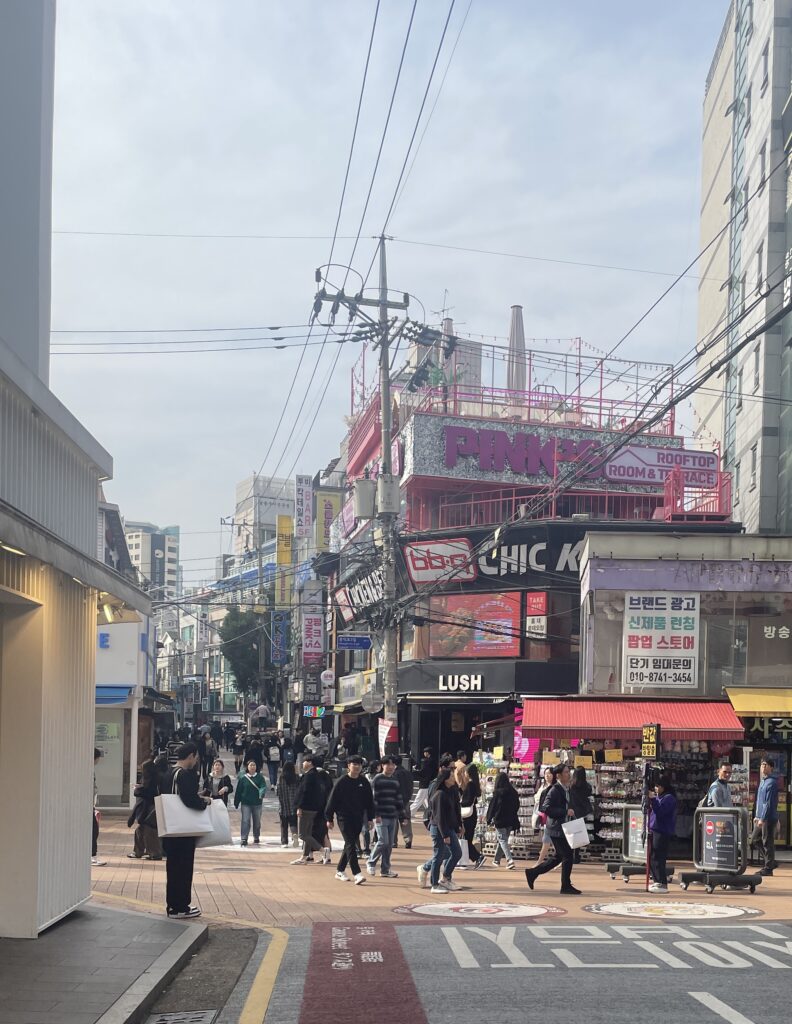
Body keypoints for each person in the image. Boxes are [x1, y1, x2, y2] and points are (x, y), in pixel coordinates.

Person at [162, 743, 211, 918]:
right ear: (190, 756)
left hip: (170, 827)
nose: (196, 760)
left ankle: (173, 906)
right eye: (195, 757)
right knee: (183, 868)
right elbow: (189, 800)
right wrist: (204, 802)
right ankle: (181, 907)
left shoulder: (168, 773)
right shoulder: (184, 775)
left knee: (173, 868)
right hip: (183, 830)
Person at [524, 764, 580, 896]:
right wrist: (565, 811)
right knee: (567, 855)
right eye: (566, 772)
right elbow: (546, 808)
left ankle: (533, 873)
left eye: (569, 772)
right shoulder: (555, 790)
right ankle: (565, 885)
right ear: (559, 775)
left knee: (559, 857)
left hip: (562, 827)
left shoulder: (565, 789)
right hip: (555, 828)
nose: (569, 774)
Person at [325, 755, 374, 884]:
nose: (357, 767)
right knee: (351, 844)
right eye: (354, 764)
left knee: (349, 844)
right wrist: (329, 818)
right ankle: (357, 873)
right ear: (348, 766)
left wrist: (370, 818)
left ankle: (340, 870)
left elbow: (369, 802)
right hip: (343, 817)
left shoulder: (364, 782)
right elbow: (332, 800)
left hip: (358, 818)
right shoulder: (342, 782)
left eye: (359, 764)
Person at [367, 756, 405, 878]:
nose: (391, 767)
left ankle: (385, 869)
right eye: (388, 764)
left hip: (392, 815)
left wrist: (403, 816)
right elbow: (374, 798)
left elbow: (398, 798)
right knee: (383, 841)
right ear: (382, 766)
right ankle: (371, 862)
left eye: (393, 765)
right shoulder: (377, 779)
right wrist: (376, 814)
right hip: (381, 816)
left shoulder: (395, 781)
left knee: (389, 845)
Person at [427, 767, 464, 893]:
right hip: (439, 829)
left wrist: (459, 826)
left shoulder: (451, 791)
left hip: (449, 828)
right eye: (452, 776)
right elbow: (439, 817)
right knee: (438, 856)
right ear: (445, 779)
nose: (454, 778)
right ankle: (434, 884)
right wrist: (445, 834)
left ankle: (446, 878)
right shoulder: (439, 794)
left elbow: (455, 811)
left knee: (457, 853)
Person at [292, 754, 326, 864]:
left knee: (302, 834)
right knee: (308, 833)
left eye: (305, 761)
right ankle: (304, 857)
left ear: (310, 763)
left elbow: (304, 793)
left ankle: (322, 850)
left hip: (306, 808)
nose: (303, 763)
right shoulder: (316, 775)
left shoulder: (309, 776)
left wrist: (299, 807)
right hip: (314, 808)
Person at [127, 757, 162, 860]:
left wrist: (137, 789)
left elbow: (146, 792)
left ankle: (154, 853)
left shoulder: (151, 780)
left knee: (148, 831)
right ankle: (139, 852)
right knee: (141, 830)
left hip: (148, 809)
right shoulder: (155, 778)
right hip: (149, 809)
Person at [647, 774, 677, 894]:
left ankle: (661, 882)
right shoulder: (660, 797)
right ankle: (656, 880)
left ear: (663, 787)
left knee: (658, 857)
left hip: (662, 831)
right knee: (652, 855)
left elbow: (660, 811)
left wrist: (653, 799)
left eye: (658, 786)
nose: (656, 789)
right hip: (654, 829)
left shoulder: (669, 798)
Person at [487, 771, 520, 869]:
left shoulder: (497, 793)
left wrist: (489, 819)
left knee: (502, 840)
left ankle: (509, 860)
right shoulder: (513, 792)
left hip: (500, 820)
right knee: (503, 840)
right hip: (510, 820)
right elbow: (517, 806)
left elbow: (492, 807)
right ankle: (496, 860)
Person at [752, 758, 779, 876]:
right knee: (754, 840)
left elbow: (768, 803)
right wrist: (757, 816)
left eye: (765, 765)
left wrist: (762, 818)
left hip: (768, 817)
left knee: (767, 842)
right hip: (761, 817)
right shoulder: (763, 781)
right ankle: (770, 862)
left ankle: (768, 868)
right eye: (761, 765)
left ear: (771, 768)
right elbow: (759, 801)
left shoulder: (772, 782)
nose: (763, 767)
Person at [234, 759, 266, 846]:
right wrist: (236, 802)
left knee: (257, 821)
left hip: (257, 803)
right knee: (245, 820)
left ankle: (256, 836)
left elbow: (263, 786)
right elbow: (238, 791)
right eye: (250, 765)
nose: (252, 767)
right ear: (247, 767)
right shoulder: (243, 778)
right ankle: (244, 838)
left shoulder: (260, 777)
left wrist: (261, 793)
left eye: (254, 765)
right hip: (245, 803)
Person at [460, 761, 485, 868]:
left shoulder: (470, 785)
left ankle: (477, 857)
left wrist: (460, 802)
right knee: (467, 839)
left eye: (465, 772)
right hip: (472, 814)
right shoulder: (474, 784)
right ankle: (474, 858)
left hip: (468, 816)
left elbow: (468, 801)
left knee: (465, 839)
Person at [310, 760, 334, 864]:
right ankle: (327, 856)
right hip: (327, 808)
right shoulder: (327, 776)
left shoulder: (314, 776)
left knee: (311, 832)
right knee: (325, 833)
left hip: (316, 809)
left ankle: (310, 855)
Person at [532, 766, 556, 866]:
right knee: (552, 841)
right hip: (543, 816)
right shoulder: (543, 786)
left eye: (549, 774)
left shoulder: (555, 787)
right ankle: (563, 859)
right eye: (545, 774)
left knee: (546, 840)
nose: (547, 776)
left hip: (551, 817)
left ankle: (539, 861)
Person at [568, 765, 593, 864]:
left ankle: (569, 854)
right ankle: (576, 856)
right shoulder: (587, 786)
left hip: (572, 810)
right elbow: (589, 794)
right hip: (582, 812)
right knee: (578, 834)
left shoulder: (571, 785)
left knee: (571, 834)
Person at [277, 760, 300, 847]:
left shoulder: (281, 778)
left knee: (283, 824)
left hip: (283, 804)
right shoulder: (296, 777)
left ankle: (284, 842)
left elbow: (277, 790)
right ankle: (294, 834)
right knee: (293, 822)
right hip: (293, 803)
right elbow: (299, 790)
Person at [393, 759, 414, 850]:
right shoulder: (408, 773)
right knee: (406, 820)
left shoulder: (394, 774)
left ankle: (393, 841)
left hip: (395, 800)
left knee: (394, 821)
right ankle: (408, 839)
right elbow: (411, 786)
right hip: (406, 800)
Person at [410, 747, 437, 815]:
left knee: (418, 799)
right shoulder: (433, 761)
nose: (424, 753)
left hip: (424, 783)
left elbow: (424, 772)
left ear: (427, 753)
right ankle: (432, 812)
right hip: (430, 782)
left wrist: (415, 772)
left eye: (425, 752)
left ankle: (409, 813)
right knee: (426, 800)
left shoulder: (426, 761)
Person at [92, 748, 107, 867]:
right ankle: (92, 856)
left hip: (90, 804)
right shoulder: (89, 770)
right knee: (93, 830)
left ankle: (92, 855)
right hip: (88, 804)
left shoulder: (90, 769)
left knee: (93, 830)